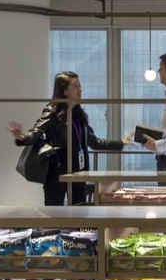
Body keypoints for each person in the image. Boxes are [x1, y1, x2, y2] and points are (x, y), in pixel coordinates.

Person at [8, 71, 124, 206]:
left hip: (79, 171)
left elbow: (94, 142)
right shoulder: (52, 111)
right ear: (64, 90)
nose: (80, 89)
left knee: (80, 212)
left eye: (79, 85)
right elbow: (36, 132)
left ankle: (81, 229)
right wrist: (21, 137)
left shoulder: (79, 115)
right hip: (58, 171)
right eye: (75, 85)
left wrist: (120, 143)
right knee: (54, 212)